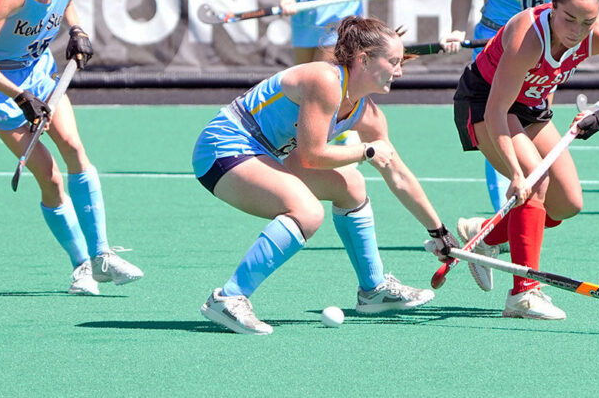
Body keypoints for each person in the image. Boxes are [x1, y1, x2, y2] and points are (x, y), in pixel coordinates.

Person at [194, 17, 459, 335]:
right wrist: (366, 152)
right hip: (223, 148)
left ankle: (373, 291)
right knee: (307, 212)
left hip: (264, 153)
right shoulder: (325, 80)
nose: (399, 71)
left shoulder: (367, 112)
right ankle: (229, 297)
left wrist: (438, 231)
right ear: (363, 60)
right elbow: (311, 155)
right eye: (393, 62)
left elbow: (398, 174)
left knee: (352, 186)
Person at [451, 0, 599, 319]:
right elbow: (498, 110)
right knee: (534, 179)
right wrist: (515, 172)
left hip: (530, 108)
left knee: (567, 204)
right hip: (485, 103)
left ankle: (484, 235)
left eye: (588, 22)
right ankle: (523, 294)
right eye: (569, 19)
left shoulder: (598, 33)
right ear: (554, 8)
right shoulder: (529, 36)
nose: (578, 31)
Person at [0, 0, 143, 295]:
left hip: (37, 71)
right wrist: (19, 96)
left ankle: (102, 255)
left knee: (75, 148)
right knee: (48, 173)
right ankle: (81, 267)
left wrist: (76, 28)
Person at [442, 0, 589, 215]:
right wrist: (457, 28)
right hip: (497, 48)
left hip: (544, 50)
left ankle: (521, 212)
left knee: (531, 124)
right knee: (501, 124)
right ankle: (505, 209)